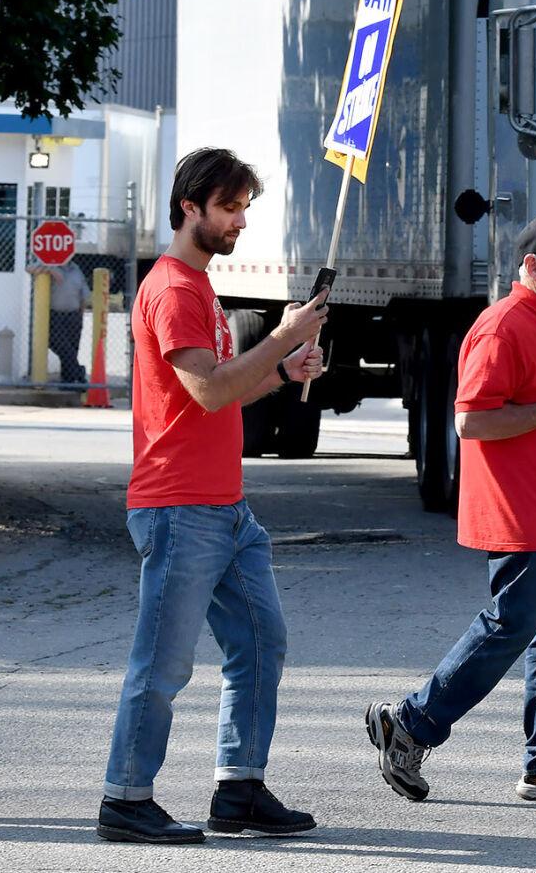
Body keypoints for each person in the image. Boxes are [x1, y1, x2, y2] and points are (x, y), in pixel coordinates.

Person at [97, 148, 328, 844]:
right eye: (230, 207)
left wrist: (283, 369)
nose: (240, 221)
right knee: (163, 661)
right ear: (189, 207)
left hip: (223, 505)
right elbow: (207, 387)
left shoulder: (200, 287)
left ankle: (240, 788)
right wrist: (283, 336)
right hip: (178, 505)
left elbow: (222, 391)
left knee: (261, 641)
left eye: (244, 207)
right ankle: (125, 796)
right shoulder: (174, 289)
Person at [366, 212, 536, 804]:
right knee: (514, 623)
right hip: (517, 506)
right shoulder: (503, 327)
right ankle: (412, 721)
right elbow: (469, 420)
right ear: (531, 266)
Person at [45, 259, 91, 383]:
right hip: (56, 315)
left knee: (72, 348)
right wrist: (50, 269)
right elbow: (30, 268)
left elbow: (84, 294)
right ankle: (79, 372)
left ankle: (68, 381)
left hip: (74, 315)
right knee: (60, 345)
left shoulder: (76, 270)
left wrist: (80, 314)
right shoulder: (49, 265)